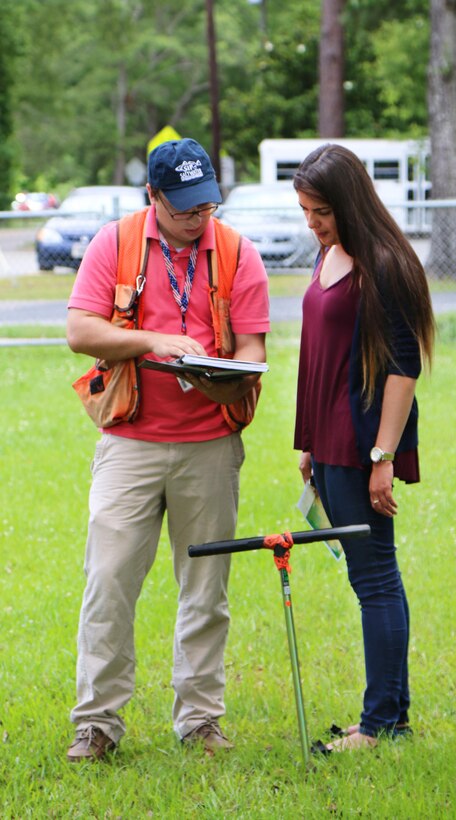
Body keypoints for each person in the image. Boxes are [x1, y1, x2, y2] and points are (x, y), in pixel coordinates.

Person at [65, 138, 270, 761]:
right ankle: (97, 724)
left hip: (210, 445)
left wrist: (221, 374)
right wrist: (154, 341)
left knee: (206, 589)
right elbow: (80, 330)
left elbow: (254, 352)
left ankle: (201, 720)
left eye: (206, 205)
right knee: (108, 582)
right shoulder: (115, 243)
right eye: (183, 208)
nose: (197, 219)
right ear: (152, 196)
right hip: (129, 442)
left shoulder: (238, 251)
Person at [292, 143, 435, 751]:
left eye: (321, 210)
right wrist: (308, 444)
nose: (312, 223)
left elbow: (404, 369)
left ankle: (377, 727)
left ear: (348, 202)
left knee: (373, 579)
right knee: (376, 576)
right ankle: (391, 719)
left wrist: (381, 458)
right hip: (328, 443)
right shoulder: (331, 251)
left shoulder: (382, 264)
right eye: (305, 210)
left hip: (361, 444)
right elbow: (322, 353)